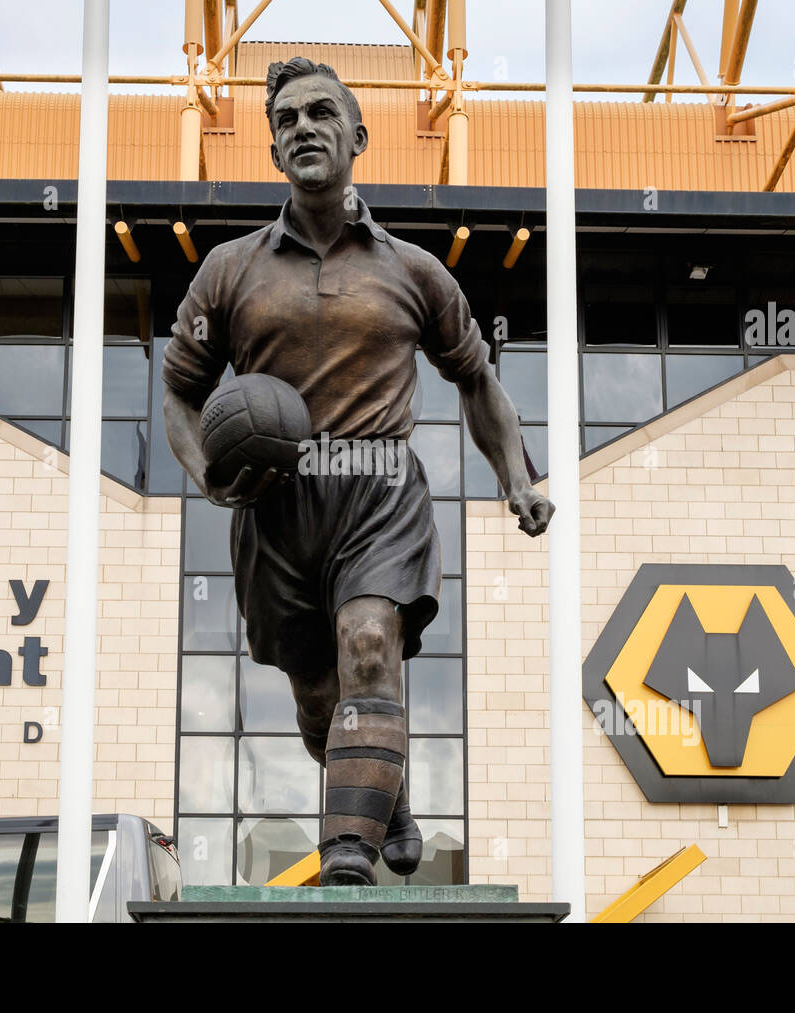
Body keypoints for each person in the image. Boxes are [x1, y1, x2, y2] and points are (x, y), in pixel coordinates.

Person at [162, 57, 554, 886]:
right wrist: (207, 474)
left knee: (370, 646)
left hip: (379, 492)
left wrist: (518, 476)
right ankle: (388, 790)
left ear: (358, 136)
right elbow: (178, 392)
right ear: (273, 152)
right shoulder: (229, 270)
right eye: (287, 120)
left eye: (320, 113)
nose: (303, 126)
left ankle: (344, 852)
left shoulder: (414, 271)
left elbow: (478, 380)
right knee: (318, 698)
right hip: (277, 503)